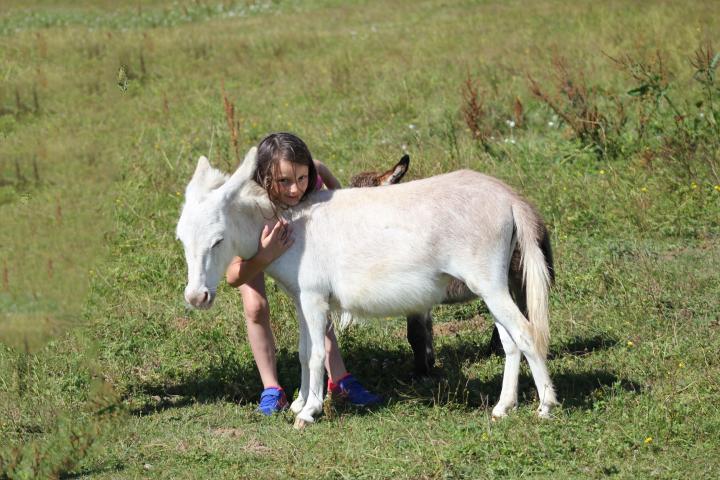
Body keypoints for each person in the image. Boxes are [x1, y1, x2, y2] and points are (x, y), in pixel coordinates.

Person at [225, 132, 381, 415]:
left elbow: (333, 186)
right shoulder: (247, 206)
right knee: (255, 307)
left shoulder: (314, 173)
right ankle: (272, 389)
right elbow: (234, 276)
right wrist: (265, 255)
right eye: (283, 181)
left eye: (301, 179)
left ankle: (339, 379)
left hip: (297, 242)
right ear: (264, 178)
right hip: (257, 249)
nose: (295, 190)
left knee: (315, 300)